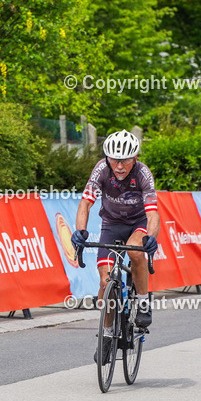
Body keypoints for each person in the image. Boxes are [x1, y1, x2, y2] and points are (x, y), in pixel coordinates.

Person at [71, 130, 159, 365]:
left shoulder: (143, 174)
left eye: (125, 160)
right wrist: (80, 231)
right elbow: (85, 203)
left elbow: (153, 214)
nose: (119, 166)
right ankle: (108, 337)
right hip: (111, 224)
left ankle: (142, 301)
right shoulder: (101, 169)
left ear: (136, 157)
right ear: (107, 157)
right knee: (104, 282)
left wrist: (150, 237)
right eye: (114, 159)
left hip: (138, 224)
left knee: (134, 250)